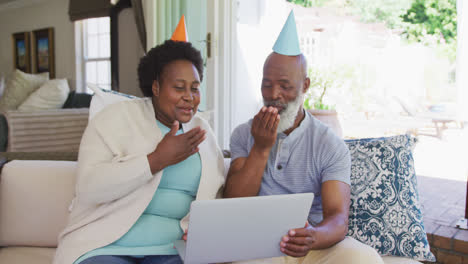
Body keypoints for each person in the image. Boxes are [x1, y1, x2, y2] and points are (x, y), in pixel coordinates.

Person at [53, 16, 225, 264]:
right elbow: (89, 188)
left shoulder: (203, 132)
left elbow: (215, 195)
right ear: (155, 87)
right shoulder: (113, 119)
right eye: (179, 87)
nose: (189, 97)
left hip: (173, 252)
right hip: (104, 247)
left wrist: (204, 229)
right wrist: (156, 160)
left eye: (195, 88)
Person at [224, 11, 383, 264]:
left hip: (313, 243)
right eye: (266, 84)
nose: (274, 94)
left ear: (305, 86)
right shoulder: (244, 134)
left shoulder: (329, 144)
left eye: (285, 86)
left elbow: (338, 218)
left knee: (364, 258)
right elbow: (233, 203)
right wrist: (261, 148)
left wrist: (313, 236)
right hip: (258, 244)